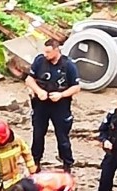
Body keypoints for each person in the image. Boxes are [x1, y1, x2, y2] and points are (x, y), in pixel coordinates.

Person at [25, 39, 81, 173]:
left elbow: (77, 87)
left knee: (62, 136)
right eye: (45, 51)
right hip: (41, 104)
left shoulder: (69, 65)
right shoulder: (40, 61)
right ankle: (36, 161)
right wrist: (39, 91)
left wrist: (61, 95)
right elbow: (29, 79)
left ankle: (67, 164)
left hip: (60, 105)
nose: (46, 54)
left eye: (49, 52)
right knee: (38, 134)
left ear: (57, 50)